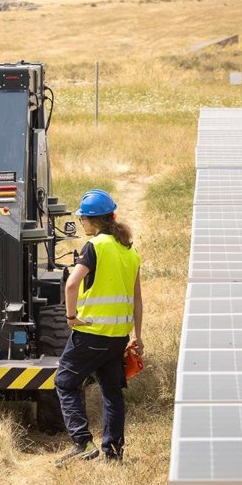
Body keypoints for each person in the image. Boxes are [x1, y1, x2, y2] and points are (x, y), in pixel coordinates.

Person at [54, 189, 143, 465]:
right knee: (112, 393)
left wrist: (71, 317)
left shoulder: (95, 246)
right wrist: (138, 336)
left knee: (65, 382)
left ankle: (82, 442)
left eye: (82, 218)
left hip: (91, 333)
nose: (81, 223)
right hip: (118, 336)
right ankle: (113, 454)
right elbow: (137, 298)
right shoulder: (129, 250)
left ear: (92, 220)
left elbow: (71, 284)